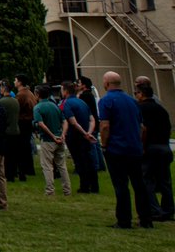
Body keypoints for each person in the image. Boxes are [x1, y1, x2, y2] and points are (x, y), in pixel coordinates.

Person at [98, 70, 151, 229]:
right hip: (134, 148)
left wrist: (104, 144)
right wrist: (139, 144)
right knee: (139, 185)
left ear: (106, 84)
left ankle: (124, 220)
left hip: (117, 149)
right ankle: (146, 219)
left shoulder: (106, 101)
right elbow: (142, 128)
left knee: (121, 185)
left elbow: (105, 125)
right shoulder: (132, 101)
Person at [135, 81, 173, 222]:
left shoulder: (140, 108)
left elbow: (143, 129)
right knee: (164, 180)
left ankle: (154, 210)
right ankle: (168, 210)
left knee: (147, 179)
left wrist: (142, 146)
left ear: (141, 94)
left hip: (150, 147)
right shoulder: (161, 109)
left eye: (136, 93)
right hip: (164, 146)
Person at [33, 84, 71, 196]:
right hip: (59, 138)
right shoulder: (55, 106)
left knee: (47, 166)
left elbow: (41, 124)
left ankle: (50, 190)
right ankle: (67, 190)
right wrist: (62, 134)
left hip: (48, 140)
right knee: (62, 166)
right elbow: (64, 121)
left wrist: (52, 136)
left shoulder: (38, 107)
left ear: (37, 94)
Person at [61, 80, 98, 193]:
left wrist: (83, 133)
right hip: (86, 135)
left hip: (75, 136)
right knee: (89, 160)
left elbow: (72, 121)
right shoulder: (82, 102)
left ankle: (85, 186)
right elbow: (92, 119)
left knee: (80, 162)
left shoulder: (67, 103)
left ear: (66, 91)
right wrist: (89, 133)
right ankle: (95, 186)